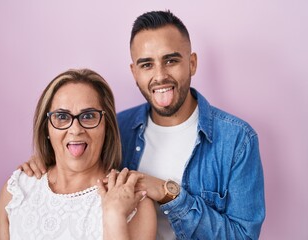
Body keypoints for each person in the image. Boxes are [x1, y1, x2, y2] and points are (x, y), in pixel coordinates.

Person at [21, 10, 265, 239]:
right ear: (134, 72)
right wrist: (46, 160)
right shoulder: (117, 127)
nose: (159, 76)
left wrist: (168, 192)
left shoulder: (237, 140)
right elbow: (77, 167)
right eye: (147, 64)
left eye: (170, 61)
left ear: (192, 63)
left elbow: (243, 235)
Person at [0, 68, 157, 240]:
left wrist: (114, 216)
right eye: (62, 116)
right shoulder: (17, 191)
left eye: (88, 116)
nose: (75, 129)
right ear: (47, 127)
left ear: (107, 127)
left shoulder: (135, 201)